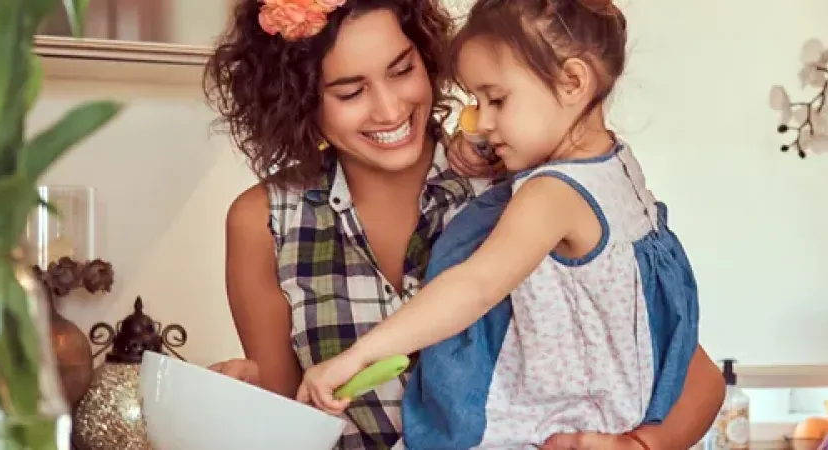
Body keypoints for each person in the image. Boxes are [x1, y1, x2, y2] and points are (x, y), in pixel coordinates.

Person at [204, 0, 725, 449]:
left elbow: (692, 375)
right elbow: (289, 422)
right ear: (300, 101)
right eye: (349, 92)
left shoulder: (518, 180)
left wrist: (642, 444)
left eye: (402, 69)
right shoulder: (266, 221)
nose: (389, 109)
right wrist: (235, 407)